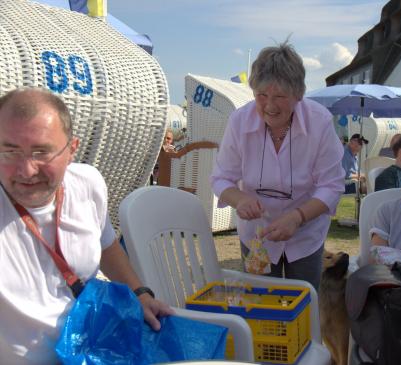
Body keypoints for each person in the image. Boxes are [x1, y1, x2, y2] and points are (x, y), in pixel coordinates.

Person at [0, 88, 173, 363]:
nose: (27, 170)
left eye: (41, 152)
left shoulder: (87, 184)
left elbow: (106, 246)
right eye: (10, 151)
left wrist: (139, 293)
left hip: (94, 351)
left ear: (72, 150)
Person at [210, 41, 345, 290]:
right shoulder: (239, 121)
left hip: (306, 234)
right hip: (257, 236)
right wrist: (240, 199)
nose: (270, 106)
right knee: (261, 305)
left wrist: (297, 217)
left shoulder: (320, 122)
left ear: (298, 95)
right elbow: (221, 179)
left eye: (280, 97)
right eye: (262, 96)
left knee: (303, 304)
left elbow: (332, 185)